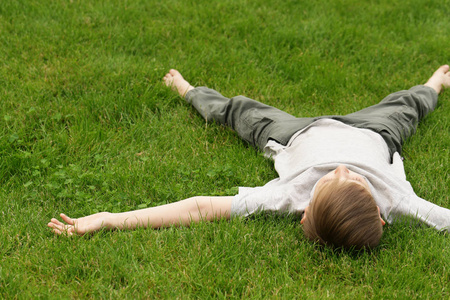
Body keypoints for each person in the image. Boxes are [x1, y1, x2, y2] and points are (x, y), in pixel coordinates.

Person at [48, 65, 450, 250]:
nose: (341, 168)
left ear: (306, 212)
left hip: (293, 135)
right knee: (407, 107)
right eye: (355, 180)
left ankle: (189, 90)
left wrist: (109, 219)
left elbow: (200, 208)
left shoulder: (288, 196)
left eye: (333, 179)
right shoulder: (399, 201)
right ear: (380, 214)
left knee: (239, 111)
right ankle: (435, 83)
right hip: (373, 132)